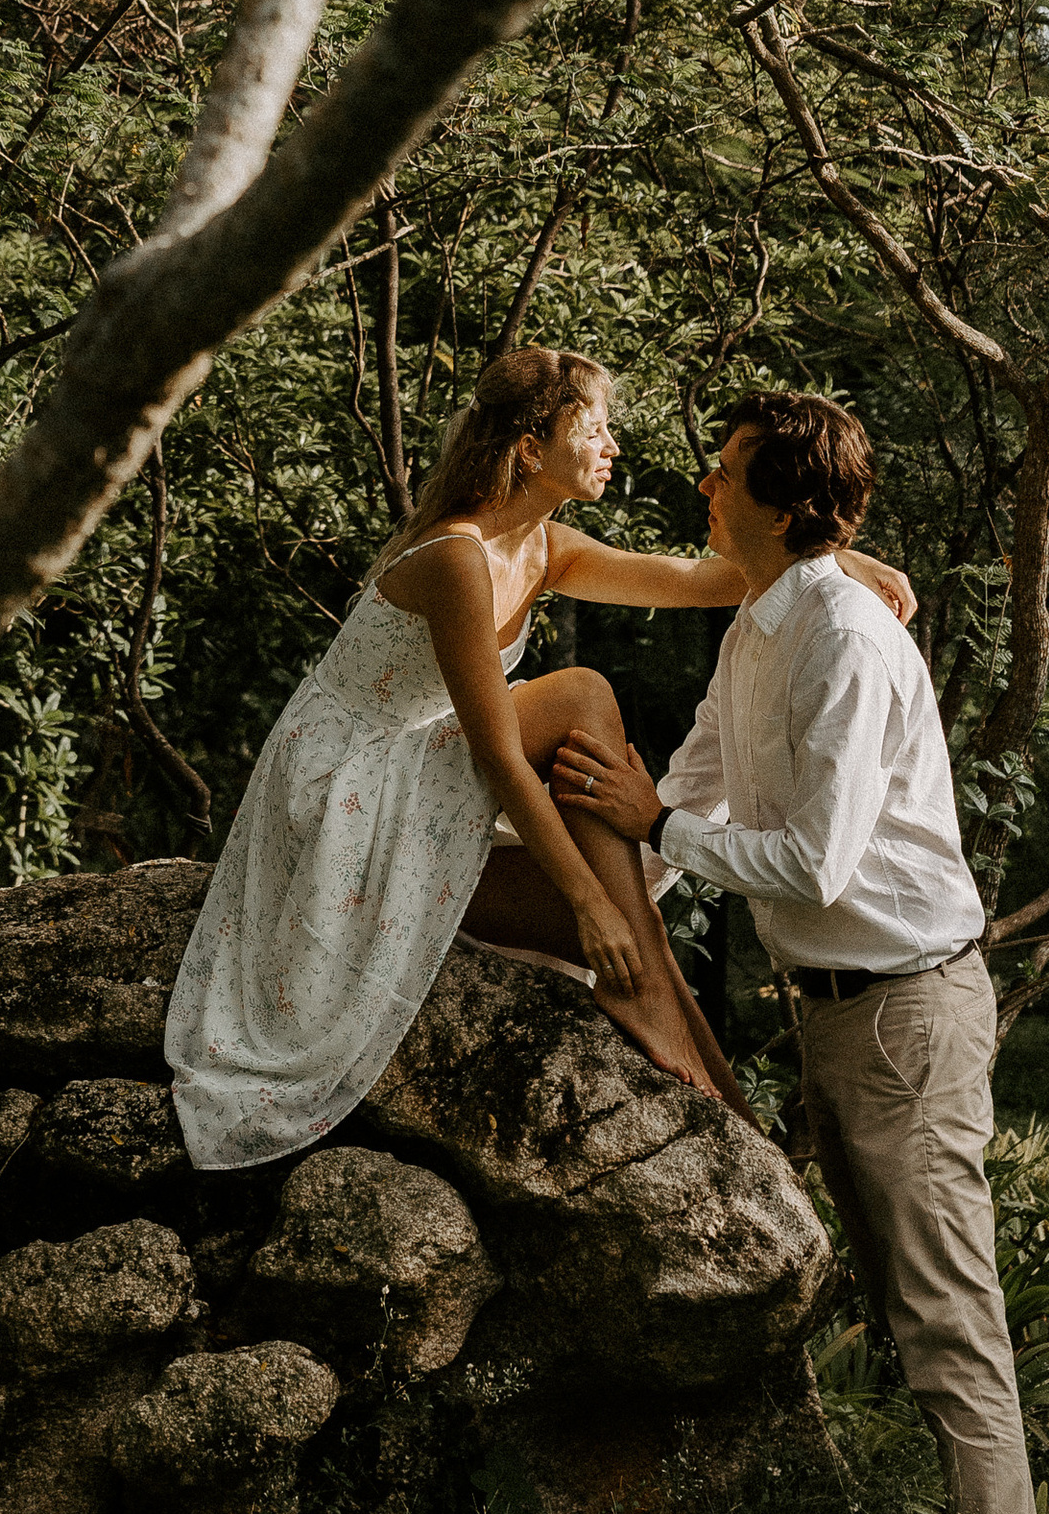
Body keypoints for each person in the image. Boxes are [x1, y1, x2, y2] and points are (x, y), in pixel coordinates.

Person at [549, 388, 1049, 1514]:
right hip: (831, 1013)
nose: (703, 490)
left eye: (724, 474)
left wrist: (656, 828)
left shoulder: (844, 639)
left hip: (907, 1012)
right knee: (905, 1314)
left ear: (783, 505)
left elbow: (814, 863)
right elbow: (688, 790)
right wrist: (582, 912)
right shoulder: (758, 627)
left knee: (948, 1328)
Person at [165, 346, 917, 1174]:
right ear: (531, 447)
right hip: (345, 787)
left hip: (415, 781)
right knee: (583, 698)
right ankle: (644, 996)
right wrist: (589, 903)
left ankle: (737, 1127)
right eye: (593, 430)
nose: (612, 446)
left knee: (641, 928)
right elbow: (497, 753)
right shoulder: (456, 555)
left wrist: (830, 552)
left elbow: (699, 579)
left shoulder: (543, 547)